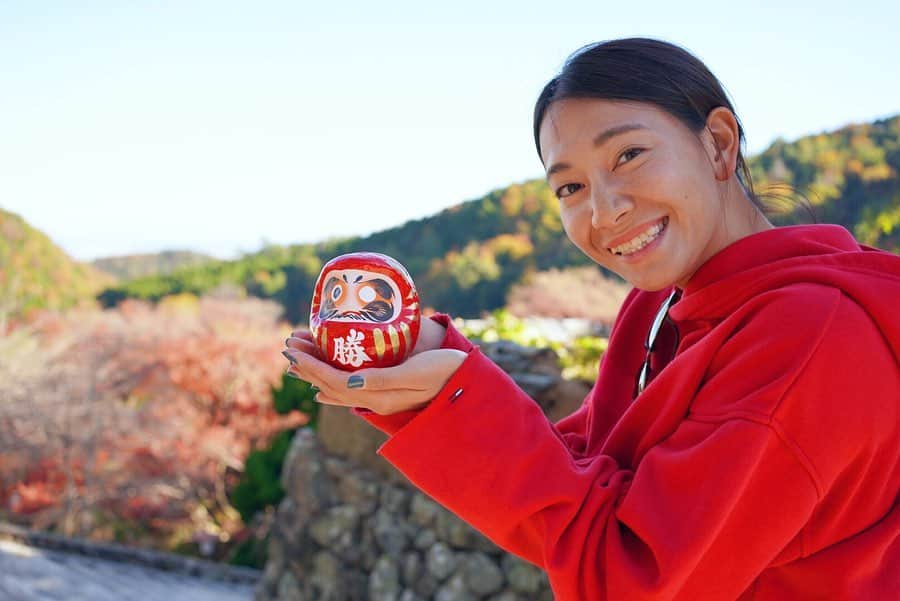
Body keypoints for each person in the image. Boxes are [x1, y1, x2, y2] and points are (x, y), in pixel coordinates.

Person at [283, 37, 900, 600]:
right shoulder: (663, 306)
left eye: (628, 155)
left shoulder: (810, 332)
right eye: (569, 188)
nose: (604, 212)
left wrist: (457, 396)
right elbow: (577, 485)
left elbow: (630, 576)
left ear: (718, 143)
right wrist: (429, 385)